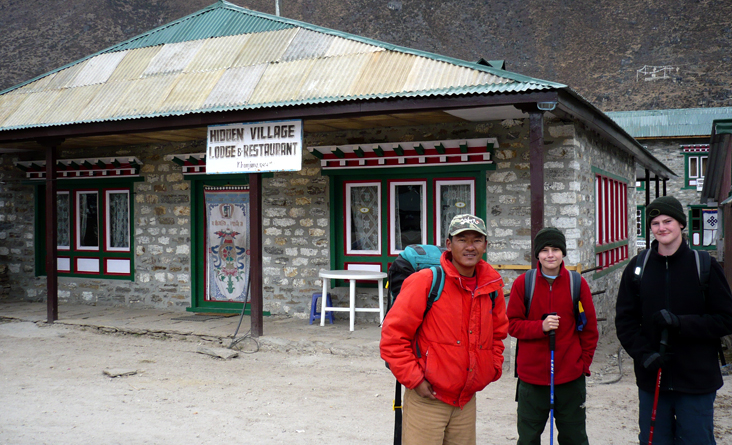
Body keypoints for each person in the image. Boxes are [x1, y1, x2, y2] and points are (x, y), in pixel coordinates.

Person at [380, 214, 508, 445]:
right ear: (449, 245)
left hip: (466, 402)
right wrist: (415, 380)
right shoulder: (426, 281)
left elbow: (498, 335)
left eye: (477, 240)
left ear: (485, 245)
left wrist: (491, 368)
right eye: (462, 240)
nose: (470, 247)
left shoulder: (491, 287)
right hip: (427, 400)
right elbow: (393, 337)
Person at [616, 196, 732, 444]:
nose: (662, 228)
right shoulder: (637, 268)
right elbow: (625, 322)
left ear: (681, 224)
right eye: (655, 223)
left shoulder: (705, 266)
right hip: (653, 377)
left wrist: (681, 323)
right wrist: (644, 354)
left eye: (667, 221)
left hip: (696, 378)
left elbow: (726, 319)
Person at [507, 227, 598, 444]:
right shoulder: (523, 284)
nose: (550, 255)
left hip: (570, 379)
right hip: (532, 380)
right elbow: (512, 325)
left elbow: (589, 329)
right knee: (528, 439)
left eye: (555, 249)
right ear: (537, 254)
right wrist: (541, 327)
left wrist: (582, 365)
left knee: (574, 438)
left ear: (563, 253)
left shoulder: (577, 284)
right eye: (545, 250)